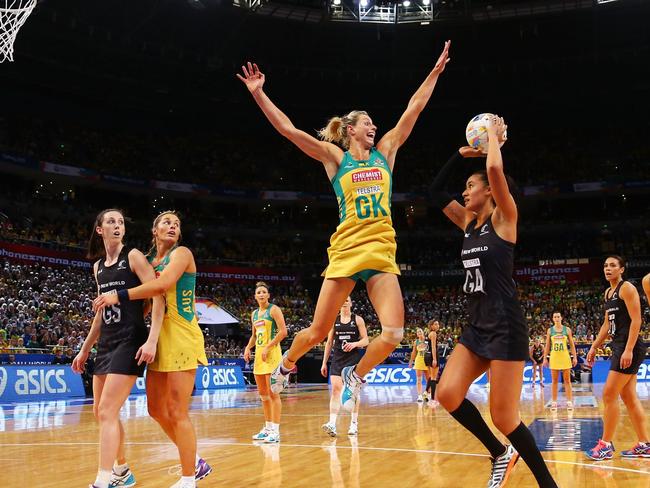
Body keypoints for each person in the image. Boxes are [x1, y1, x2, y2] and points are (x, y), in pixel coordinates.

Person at [237, 41, 451, 411]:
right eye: (368, 123)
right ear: (350, 129)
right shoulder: (335, 158)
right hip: (347, 249)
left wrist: (433, 73)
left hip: (381, 249)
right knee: (319, 331)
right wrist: (259, 95)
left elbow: (413, 109)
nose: (375, 127)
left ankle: (356, 375)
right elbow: (289, 131)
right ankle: (286, 366)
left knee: (394, 333)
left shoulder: (386, 151)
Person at [430, 116, 558, 487]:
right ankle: (499, 452)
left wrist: (493, 142)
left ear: (490, 191)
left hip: (505, 325)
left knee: (504, 417)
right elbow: (435, 193)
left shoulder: (505, 218)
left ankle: (547, 484)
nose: (465, 192)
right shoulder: (468, 223)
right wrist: (460, 154)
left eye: (471, 186)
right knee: (447, 393)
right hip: (476, 326)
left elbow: (495, 169)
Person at [93, 211, 212, 488]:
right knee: (156, 409)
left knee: (177, 410)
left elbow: (162, 285)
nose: (172, 226)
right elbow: (146, 303)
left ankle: (188, 478)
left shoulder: (181, 254)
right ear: (154, 230)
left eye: (177, 224)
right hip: (156, 337)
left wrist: (118, 295)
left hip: (182, 335)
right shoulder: (147, 261)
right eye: (166, 222)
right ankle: (196, 461)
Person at [72, 208, 164, 488]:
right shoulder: (98, 267)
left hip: (131, 338)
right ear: (99, 229)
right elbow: (101, 312)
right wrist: (85, 349)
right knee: (102, 411)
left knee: (108, 411)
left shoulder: (133, 256)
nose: (117, 226)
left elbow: (158, 293)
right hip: (107, 342)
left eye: (121, 222)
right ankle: (122, 471)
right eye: (111, 221)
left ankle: (103, 480)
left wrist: (152, 339)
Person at [584, 257, 649, 460]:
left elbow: (637, 319)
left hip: (628, 346)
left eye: (613, 265)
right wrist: (594, 346)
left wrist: (628, 349)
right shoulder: (608, 292)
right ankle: (645, 444)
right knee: (629, 398)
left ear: (622, 269)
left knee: (609, 394)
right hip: (619, 345)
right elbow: (606, 324)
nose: (608, 268)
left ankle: (605, 445)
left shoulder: (627, 288)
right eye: (605, 266)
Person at [244, 281, 288, 444]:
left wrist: (268, 347)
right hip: (259, 357)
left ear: (268, 295)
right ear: (255, 296)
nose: (261, 294)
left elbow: (284, 332)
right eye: (258, 292)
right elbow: (254, 336)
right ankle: (268, 428)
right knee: (263, 395)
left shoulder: (274, 310)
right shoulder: (254, 314)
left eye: (264, 292)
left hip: (272, 355)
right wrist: (248, 348)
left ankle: (275, 431)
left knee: (273, 394)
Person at [321, 296, 369, 436]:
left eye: (347, 299)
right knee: (336, 390)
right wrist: (324, 362)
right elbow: (329, 343)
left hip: (353, 360)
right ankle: (332, 424)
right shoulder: (334, 320)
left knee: (353, 392)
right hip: (337, 359)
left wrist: (354, 344)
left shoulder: (358, 320)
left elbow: (366, 340)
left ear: (351, 303)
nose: (344, 301)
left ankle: (354, 424)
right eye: (342, 299)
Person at [542, 312, 577, 411]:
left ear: (561, 318)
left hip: (565, 356)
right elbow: (547, 346)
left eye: (558, 316)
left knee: (567, 380)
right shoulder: (550, 330)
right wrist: (545, 358)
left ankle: (569, 401)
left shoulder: (567, 330)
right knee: (554, 381)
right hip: (554, 357)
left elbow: (572, 345)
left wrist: (574, 357)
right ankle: (554, 401)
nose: (557, 318)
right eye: (555, 317)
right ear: (553, 319)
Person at [408, 328, 430, 403]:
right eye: (417, 332)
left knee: (429, 380)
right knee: (419, 380)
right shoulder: (416, 342)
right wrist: (411, 361)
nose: (419, 332)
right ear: (417, 334)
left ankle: (427, 394)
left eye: (420, 331)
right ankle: (420, 396)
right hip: (419, 361)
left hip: (427, 361)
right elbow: (414, 352)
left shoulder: (428, 340)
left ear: (423, 332)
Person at [425, 319, 439, 405]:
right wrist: (434, 359)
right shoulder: (433, 334)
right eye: (436, 324)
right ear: (431, 326)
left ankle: (426, 392)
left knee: (431, 376)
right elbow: (433, 347)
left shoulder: (428, 333)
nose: (438, 326)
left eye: (438, 324)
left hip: (427, 355)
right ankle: (433, 400)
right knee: (434, 378)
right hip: (432, 355)